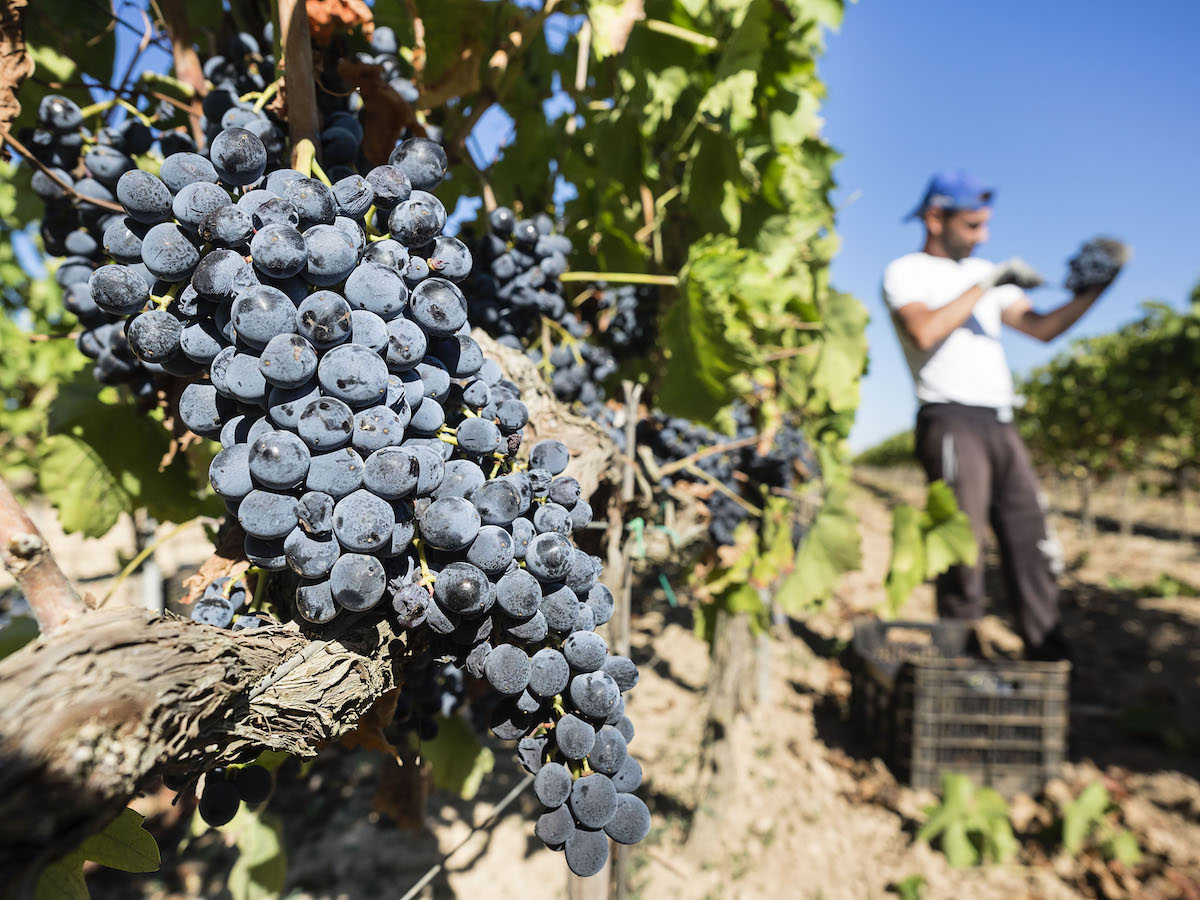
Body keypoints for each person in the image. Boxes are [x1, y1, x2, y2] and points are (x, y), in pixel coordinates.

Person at [881, 170, 1120, 660]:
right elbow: (923, 332)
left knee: (1031, 540)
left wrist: (1094, 291)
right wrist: (986, 281)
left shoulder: (983, 276)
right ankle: (960, 660)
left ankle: (1047, 653)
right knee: (961, 551)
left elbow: (1041, 327)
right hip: (949, 418)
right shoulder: (906, 271)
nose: (982, 236)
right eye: (972, 225)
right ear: (934, 218)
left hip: (999, 421)